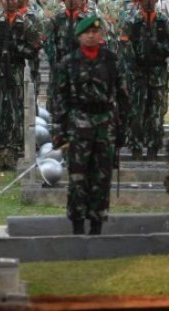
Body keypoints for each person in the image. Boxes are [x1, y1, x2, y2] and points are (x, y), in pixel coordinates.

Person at [52, 15, 129, 235]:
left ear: (101, 34)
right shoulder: (68, 62)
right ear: (79, 36)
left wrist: (123, 128)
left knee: (101, 178)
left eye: (96, 32)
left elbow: (123, 96)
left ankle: (97, 227)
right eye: (87, 32)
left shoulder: (112, 60)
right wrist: (59, 131)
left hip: (105, 125)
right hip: (78, 126)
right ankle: (77, 225)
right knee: (77, 179)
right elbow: (60, 98)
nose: (92, 35)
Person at [0, 0, 42, 170]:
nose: (10, 2)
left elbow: (36, 45)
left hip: (17, 72)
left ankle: (14, 153)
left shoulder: (23, 23)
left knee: (16, 113)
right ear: (1, 2)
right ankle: (0, 155)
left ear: (19, 1)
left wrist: (19, 50)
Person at [120, 0, 169, 160]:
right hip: (137, 76)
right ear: (138, 1)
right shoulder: (131, 22)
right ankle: (136, 149)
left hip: (157, 77)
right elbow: (124, 46)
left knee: (156, 116)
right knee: (136, 115)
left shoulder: (164, 21)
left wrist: (159, 49)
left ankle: (153, 150)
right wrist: (136, 57)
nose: (149, 1)